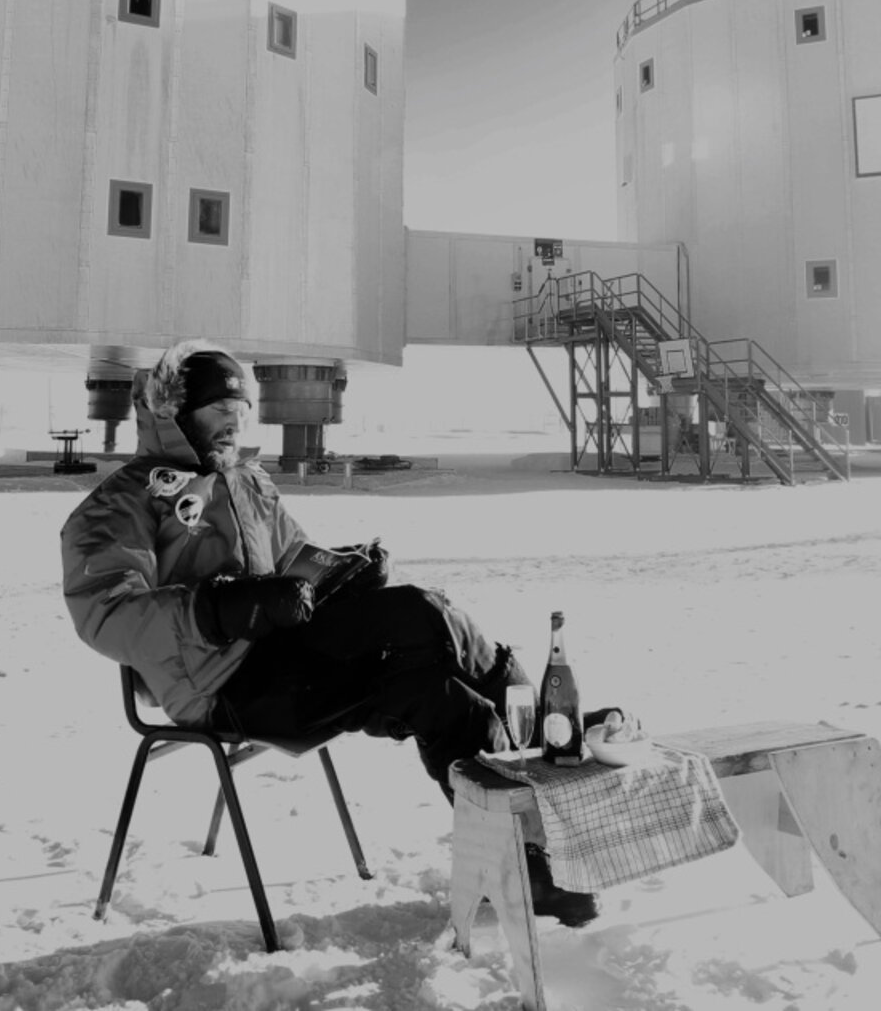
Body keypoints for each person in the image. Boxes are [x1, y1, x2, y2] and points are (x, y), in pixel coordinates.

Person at [60, 339, 597, 925]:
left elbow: (291, 562)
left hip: (284, 654)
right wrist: (217, 609)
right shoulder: (123, 502)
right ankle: (533, 801)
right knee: (429, 671)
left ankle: (534, 784)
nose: (232, 428)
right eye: (219, 412)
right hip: (222, 688)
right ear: (174, 411)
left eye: (240, 415)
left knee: (424, 623)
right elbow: (104, 611)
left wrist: (340, 571)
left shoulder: (246, 482)